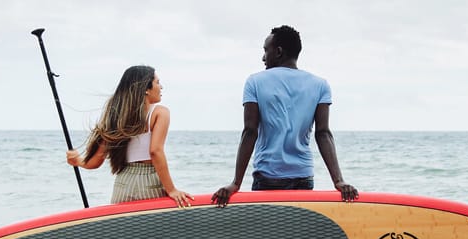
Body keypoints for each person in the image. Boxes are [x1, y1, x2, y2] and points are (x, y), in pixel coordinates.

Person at [211, 25, 358, 207]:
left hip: (267, 178)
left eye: (266, 50)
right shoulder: (320, 85)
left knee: (267, 234)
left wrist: (235, 183)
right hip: (303, 177)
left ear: (278, 51)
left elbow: (250, 131)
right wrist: (338, 181)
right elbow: (323, 133)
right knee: (297, 234)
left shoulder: (254, 82)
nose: (263, 57)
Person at [66, 65, 193, 208]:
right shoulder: (160, 112)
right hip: (149, 181)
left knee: (122, 229)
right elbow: (155, 151)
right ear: (146, 88)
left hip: (123, 181)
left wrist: (77, 161)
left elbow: (94, 162)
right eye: (157, 82)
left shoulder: (117, 117)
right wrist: (172, 190)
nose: (161, 87)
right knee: (154, 230)